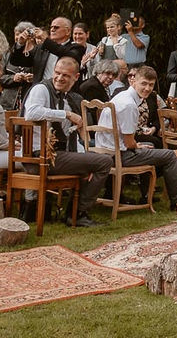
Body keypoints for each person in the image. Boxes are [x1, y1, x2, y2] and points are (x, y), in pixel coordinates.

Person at [20, 57, 111, 227]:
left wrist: (84, 155)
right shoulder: (41, 89)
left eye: (65, 76)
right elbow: (31, 113)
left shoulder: (68, 98)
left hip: (57, 155)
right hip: (40, 157)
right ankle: (78, 214)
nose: (60, 78)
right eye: (57, 73)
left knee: (92, 159)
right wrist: (66, 115)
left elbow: (71, 135)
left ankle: (74, 212)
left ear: (76, 77)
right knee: (104, 161)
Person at [98, 65, 177, 208]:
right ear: (133, 81)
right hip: (118, 155)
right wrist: (137, 145)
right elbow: (129, 142)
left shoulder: (121, 96)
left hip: (107, 150)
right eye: (144, 83)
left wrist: (138, 145)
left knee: (149, 146)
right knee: (169, 155)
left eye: (151, 85)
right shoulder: (130, 104)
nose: (147, 88)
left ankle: (146, 196)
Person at [10, 16, 85, 88]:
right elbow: (17, 61)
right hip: (41, 91)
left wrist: (45, 40)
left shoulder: (76, 48)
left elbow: (66, 54)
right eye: (51, 27)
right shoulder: (42, 48)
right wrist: (20, 44)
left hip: (65, 93)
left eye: (56, 27)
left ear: (68, 31)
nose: (52, 30)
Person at [0, 22, 35, 110]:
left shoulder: (38, 54)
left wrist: (33, 78)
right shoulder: (7, 55)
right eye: (17, 35)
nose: (19, 38)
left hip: (29, 100)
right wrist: (13, 78)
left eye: (22, 35)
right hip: (8, 102)